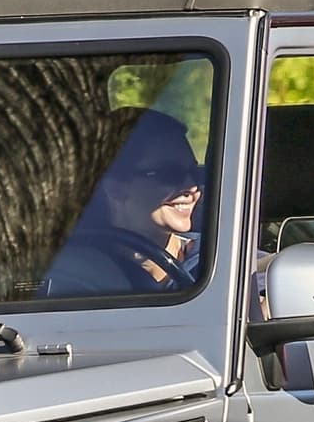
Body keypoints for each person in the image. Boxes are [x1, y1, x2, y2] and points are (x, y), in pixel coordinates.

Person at [47, 107, 203, 293]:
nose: (191, 187)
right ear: (115, 188)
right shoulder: (68, 276)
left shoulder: (222, 262)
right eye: (170, 174)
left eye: (195, 173)